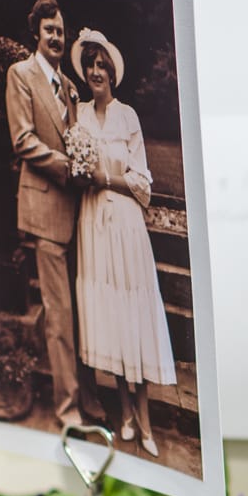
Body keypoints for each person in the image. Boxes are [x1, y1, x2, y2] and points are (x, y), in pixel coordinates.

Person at [67, 30, 177, 453]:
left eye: (102, 65)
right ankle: (126, 413)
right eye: (91, 65)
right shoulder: (77, 115)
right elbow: (74, 166)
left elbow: (142, 182)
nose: (96, 71)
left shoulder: (127, 116)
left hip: (126, 221)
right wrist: (82, 175)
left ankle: (146, 421)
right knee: (109, 314)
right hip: (93, 221)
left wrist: (106, 178)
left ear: (112, 73)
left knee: (133, 311)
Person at [5, 0, 89, 429]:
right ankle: (67, 409)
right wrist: (66, 167)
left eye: (61, 30)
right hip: (45, 208)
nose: (57, 37)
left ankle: (83, 395)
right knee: (58, 315)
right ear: (36, 33)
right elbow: (22, 139)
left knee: (77, 310)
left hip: (78, 212)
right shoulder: (21, 75)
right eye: (50, 30)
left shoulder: (69, 84)